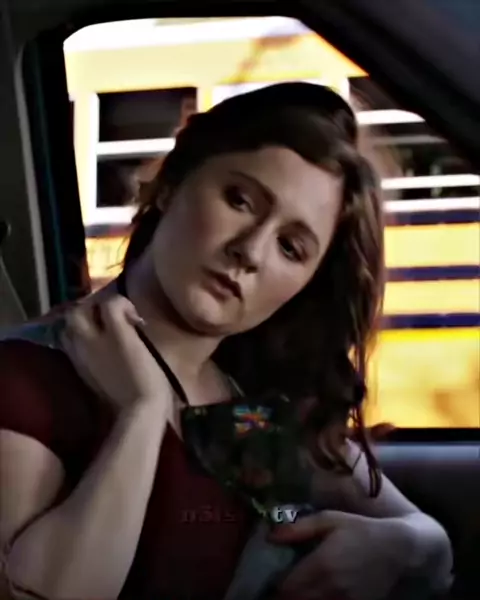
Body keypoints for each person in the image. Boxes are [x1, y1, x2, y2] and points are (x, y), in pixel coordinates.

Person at [0, 82, 453, 600]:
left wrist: (401, 545)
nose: (251, 251)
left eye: (291, 247)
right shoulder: (26, 377)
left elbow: (429, 541)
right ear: (172, 183)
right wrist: (142, 413)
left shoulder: (248, 408)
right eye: (239, 199)